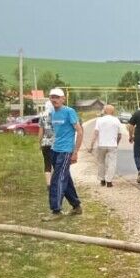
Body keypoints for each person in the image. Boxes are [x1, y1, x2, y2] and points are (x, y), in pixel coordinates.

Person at [46, 88, 83, 217]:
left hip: (66, 151)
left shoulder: (69, 112)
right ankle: (76, 205)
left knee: (58, 179)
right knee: (65, 178)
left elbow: (79, 131)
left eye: (57, 97)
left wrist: (75, 151)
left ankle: (56, 210)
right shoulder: (52, 113)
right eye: (52, 97)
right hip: (55, 150)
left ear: (63, 99)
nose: (54, 99)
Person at [87, 104, 122, 187]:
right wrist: (116, 143)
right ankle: (109, 181)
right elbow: (120, 135)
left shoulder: (100, 120)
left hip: (101, 144)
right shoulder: (116, 120)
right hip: (112, 145)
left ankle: (102, 180)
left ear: (105, 111)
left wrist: (91, 146)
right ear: (113, 112)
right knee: (112, 163)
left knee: (101, 162)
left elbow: (96, 133)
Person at [39, 100, 56, 186]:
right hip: (56, 143)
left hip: (45, 143)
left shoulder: (42, 115)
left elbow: (41, 131)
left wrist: (40, 143)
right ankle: (56, 182)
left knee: (47, 163)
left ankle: (49, 184)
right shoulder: (57, 115)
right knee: (57, 164)